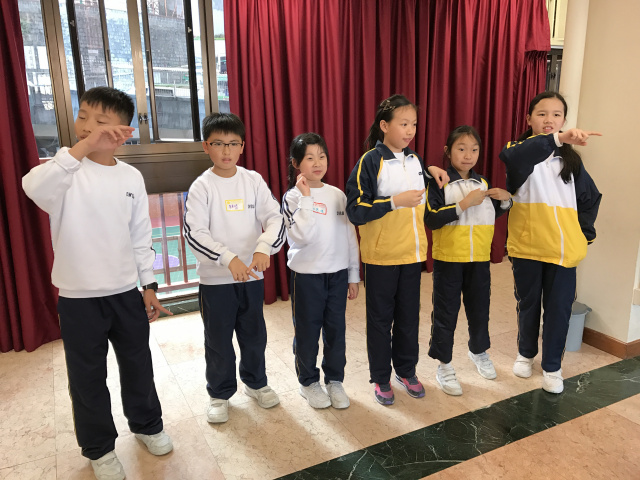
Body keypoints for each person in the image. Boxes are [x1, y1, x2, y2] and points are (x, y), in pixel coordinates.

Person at [22, 86, 173, 480]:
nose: (88, 126)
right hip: (78, 298)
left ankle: (147, 425)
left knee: (138, 364)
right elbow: (32, 188)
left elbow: (140, 235)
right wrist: (83, 148)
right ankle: (99, 448)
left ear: (122, 132)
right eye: (83, 115)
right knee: (87, 377)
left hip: (125, 293)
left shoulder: (130, 177)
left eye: (101, 121)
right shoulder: (64, 169)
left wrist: (149, 286)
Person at [345, 94, 449, 405]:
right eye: (403, 124)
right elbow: (355, 210)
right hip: (381, 257)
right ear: (384, 125)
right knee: (380, 320)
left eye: (413, 124)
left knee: (408, 317)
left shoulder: (415, 160)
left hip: (412, 255)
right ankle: (380, 377)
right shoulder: (370, 161)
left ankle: (406, 370)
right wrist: (393, 202)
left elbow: (421, 193)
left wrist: (432, 171)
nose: (410, 131)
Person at [183, 112, 285, 423]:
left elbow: (276, 218)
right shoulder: (202, 187)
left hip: (251, 276)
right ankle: (219, 393)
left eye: (233, 143)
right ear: (206, 147)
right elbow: (195, 233)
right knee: (218, 340)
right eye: (218, 143)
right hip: (216, 282)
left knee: (254, 335)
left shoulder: (253, 180)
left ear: (242, 146)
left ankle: (256, 383)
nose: (226, 151)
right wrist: (229, 259)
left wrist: (263, 247)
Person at [500, 91, 602, 394]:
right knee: (528, 304)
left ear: (564, 119)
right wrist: (557, 139)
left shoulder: (571, 162)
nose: (549, 119)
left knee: (558, 310)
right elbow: (514, 157)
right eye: (542, 113)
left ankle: (553, 366)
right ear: (529, 119)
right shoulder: (518, 152)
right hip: (527, 247)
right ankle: (525, 354)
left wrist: (584, 234)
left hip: (562, 251)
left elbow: (590, 198)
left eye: (557, 115)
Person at [425, 126, 512, 396]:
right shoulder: (439, 182)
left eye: (474, 150)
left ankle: (479, 351)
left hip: (478, 260)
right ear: (448, 151)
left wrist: (505, 202)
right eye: (461, 149)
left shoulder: (482, 183)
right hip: (449, 259)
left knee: (479, 310)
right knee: (446, 313)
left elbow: (488, 214)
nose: (468, 155)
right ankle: (444, 365)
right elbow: (431, 219)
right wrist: (463, 204)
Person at [282, 133, 360, 409]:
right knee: (307, 332)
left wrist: (353, 274)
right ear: (296, 164)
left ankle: (334, 380)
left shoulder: (337, 195)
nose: (317, 163)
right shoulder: (292, 198)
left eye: (322, 156)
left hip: (337, 275)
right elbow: (301, 236)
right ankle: (308, 382)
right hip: (307, 277)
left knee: (336, 331)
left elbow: (350, 236)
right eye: (310, 158)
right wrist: (306, 197)